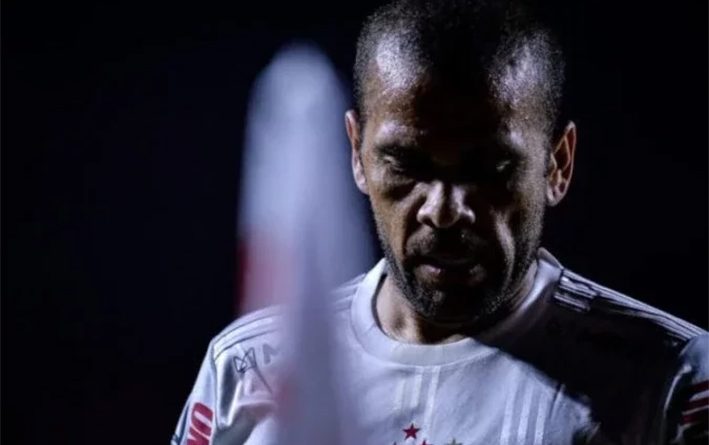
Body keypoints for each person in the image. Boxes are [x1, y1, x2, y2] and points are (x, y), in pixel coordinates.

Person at [171, 1, 708, 444]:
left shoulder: (673, 383)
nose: (444, 211)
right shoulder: (245, 370)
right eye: (406, 165)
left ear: (557, 164)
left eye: (489, 169)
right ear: (357, 154)